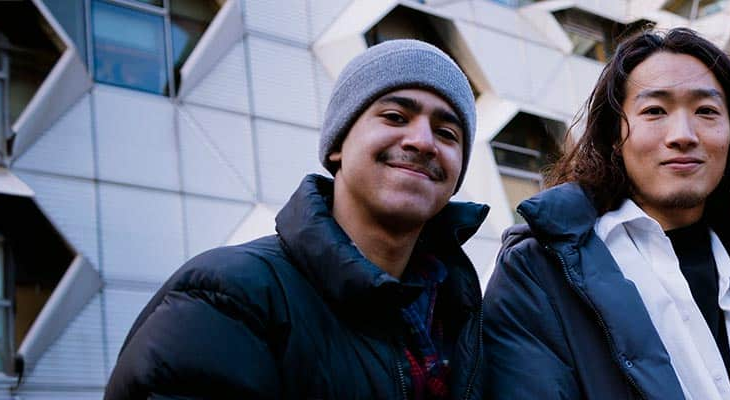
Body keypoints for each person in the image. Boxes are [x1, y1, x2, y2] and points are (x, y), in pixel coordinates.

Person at [106, 39, 487, 399]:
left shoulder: (463, 323)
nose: (422, 141)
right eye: (394, 116)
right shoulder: (231, 299)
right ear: (338, 145)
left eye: (446, 133)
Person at [480, 28, 730, 400]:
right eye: (654, 111)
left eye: (706, 111)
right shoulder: (539, 271)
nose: (682, 134)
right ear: (616, 135)